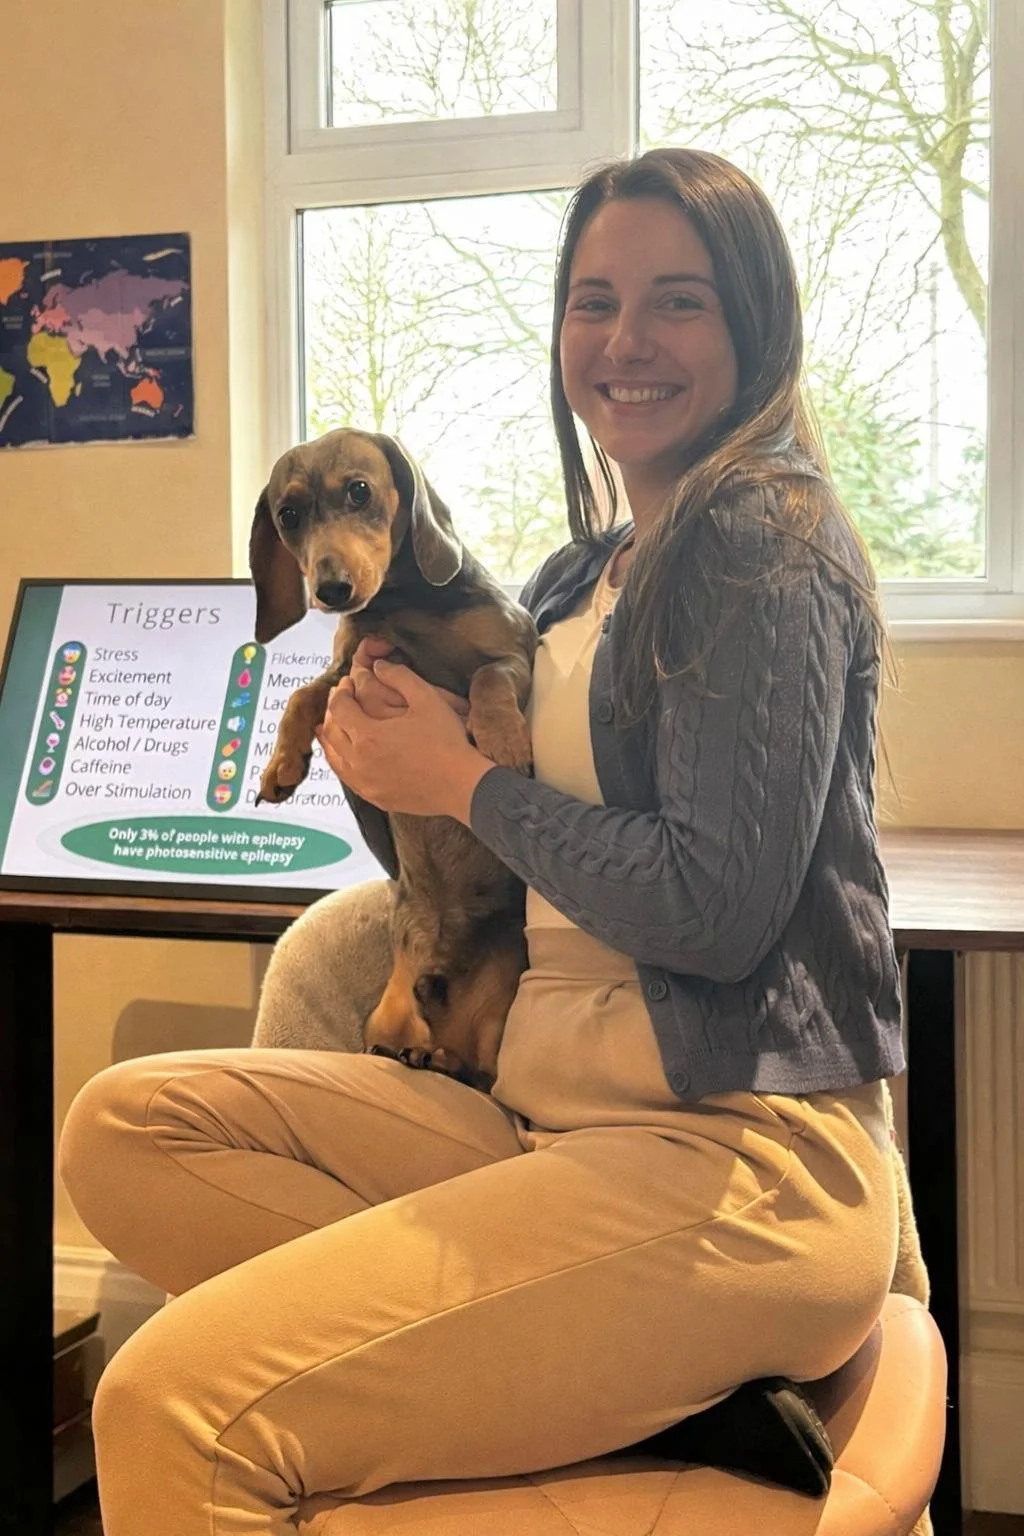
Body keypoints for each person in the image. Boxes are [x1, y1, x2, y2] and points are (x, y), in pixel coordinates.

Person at [59, 148, 907, 1536]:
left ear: (755, 325)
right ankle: (658, 1382)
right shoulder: (582, 573)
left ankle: (641, 1343)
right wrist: (375, 759)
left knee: (170, 1408)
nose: (626, 342)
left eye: (678, 302)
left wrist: (460, 779)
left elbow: (714, 912)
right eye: (594, 302)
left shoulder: (766, 538)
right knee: (124, 1131)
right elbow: (456, 861)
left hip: (735, 1158)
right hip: (542, 1130)